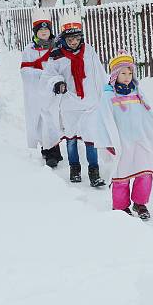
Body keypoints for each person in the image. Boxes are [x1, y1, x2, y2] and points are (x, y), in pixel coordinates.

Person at [82, 52, 153, 221]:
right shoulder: (109, 95)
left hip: (140, 141)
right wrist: (108, 142)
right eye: (123, 73)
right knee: (121, 176)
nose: (127, 77)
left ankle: (140, 203)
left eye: (130, 73)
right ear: (115, 74)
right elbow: (103, 120)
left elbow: (147, 116)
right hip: (121, 143)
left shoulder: (137, 93)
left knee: (144, 172)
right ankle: (121, 207)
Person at [42, 19, 107, 187]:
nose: (73, 42)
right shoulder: (56, 56)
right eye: (70, 39)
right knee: (71, 138)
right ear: (64, 39)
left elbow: (98, 72)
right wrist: (57, 83)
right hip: (69, 103)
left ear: (81, 38)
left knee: (90, 138)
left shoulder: (89, 52)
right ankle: (75, 168)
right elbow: (48, 76)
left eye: (77, 39)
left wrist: (105, 90)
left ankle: (94, 171)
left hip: (89, 103)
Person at [20, 14, 62, 167]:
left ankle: (53, 151)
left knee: (52, 119)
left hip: (53, 90)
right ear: (35, 32)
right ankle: (47, 149)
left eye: (46, 29)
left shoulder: (57, 47)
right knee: (41, 120)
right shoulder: (29, 49)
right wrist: (42, 75)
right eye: (40, 30)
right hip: (37, 91)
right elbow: (25, 71)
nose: (44, 32)